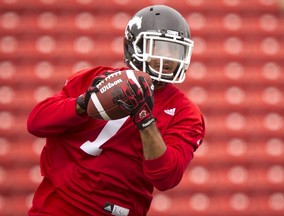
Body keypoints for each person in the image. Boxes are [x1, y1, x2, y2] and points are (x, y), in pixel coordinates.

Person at [27, 4, 205, 216]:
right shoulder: (95, 78)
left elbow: (167, 178)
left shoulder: (186, 113)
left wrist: (145, 122)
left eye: (175, 50)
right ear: (135, 46)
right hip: (57, 207)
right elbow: (36, 123)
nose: (169, 59)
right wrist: (84, 104)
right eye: (159, 48)